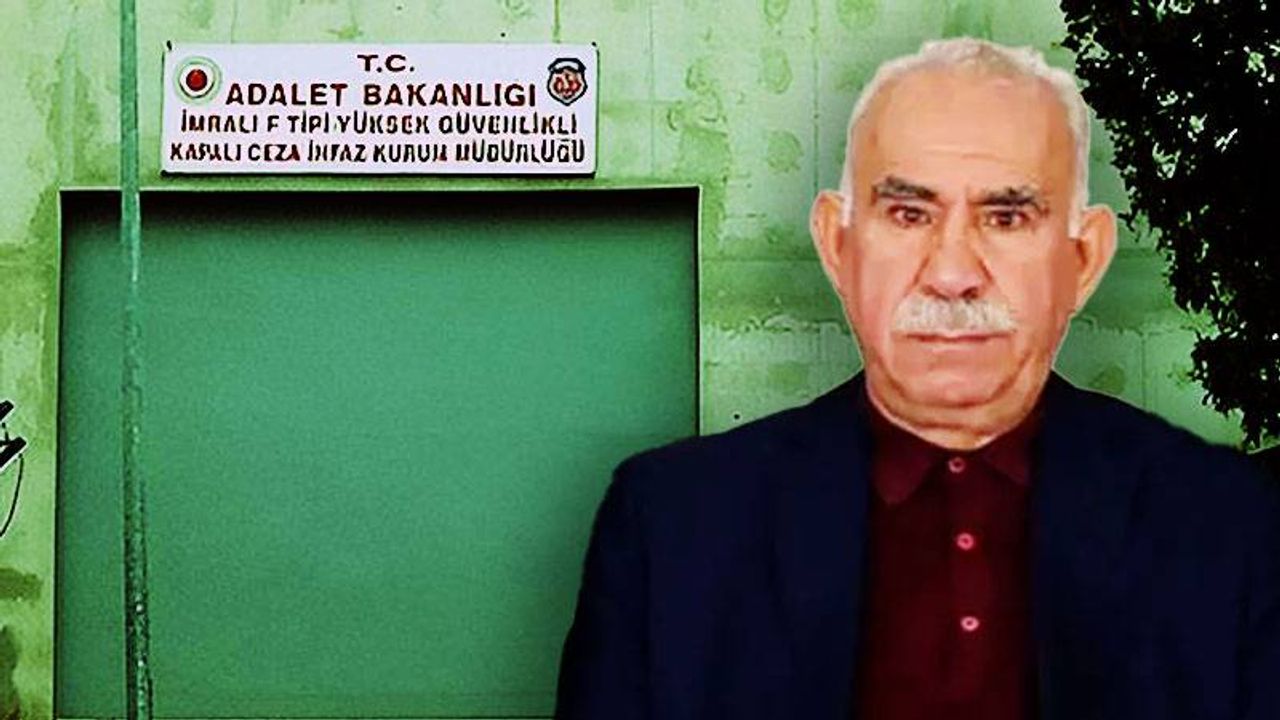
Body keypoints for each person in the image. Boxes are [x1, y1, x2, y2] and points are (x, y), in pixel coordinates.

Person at [554, 37, 1280, 719]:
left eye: (1006, 217)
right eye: (908, 213)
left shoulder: (1227, 527)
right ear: (838, 246)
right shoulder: (672, 530)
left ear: (1082, 260)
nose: (953, 273)